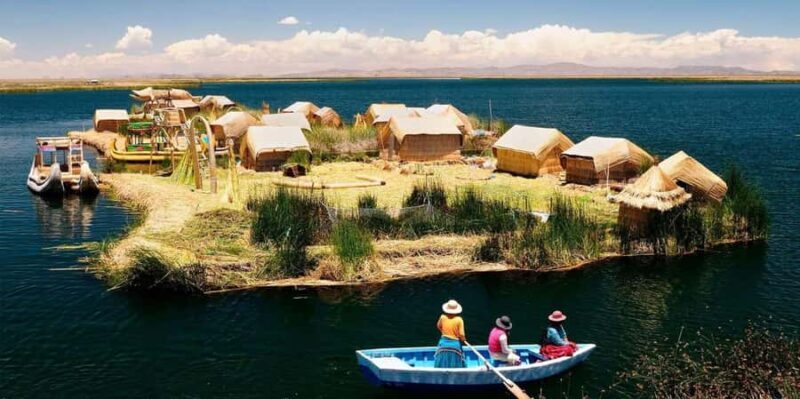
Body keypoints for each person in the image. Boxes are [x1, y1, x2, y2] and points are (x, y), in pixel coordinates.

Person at [434, 299, 466, 368]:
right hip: (455, 345)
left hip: (443, 343)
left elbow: (438, 326)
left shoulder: (442, 317)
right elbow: (462, 335)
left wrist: (444, 332)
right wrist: (463, 339)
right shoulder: (459, 319)